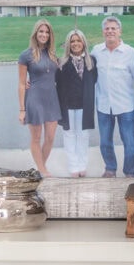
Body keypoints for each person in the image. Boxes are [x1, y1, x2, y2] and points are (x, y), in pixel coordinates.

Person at [91, 16, 134, 178]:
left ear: (120, 31)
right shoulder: (96, 51)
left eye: (113, 28)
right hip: (103, 105)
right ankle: (110, 168)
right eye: (107, 28)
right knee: (105, 141)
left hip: (125, 106)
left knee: (130, 143)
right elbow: (87, 73)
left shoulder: (130, 53)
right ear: (103, 31)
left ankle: (130, 172)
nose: (110, 31)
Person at [17, 19, 61, 176]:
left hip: (52, 99)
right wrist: (22, 110)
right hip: (34, 98)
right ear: (35, 33)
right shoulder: (25, 55)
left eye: (47, 32)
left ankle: (40, 167)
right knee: (36, 138)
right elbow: (22, 84)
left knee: (50, 137)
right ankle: (43, 171)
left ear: (50, 35)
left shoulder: (53, 54)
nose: (44, 34)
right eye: (41, 31)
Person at [55, 29, 97, 177]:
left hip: (84, 106)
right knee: (69, 135)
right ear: (68, 44)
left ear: (83, 42)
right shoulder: (62, 63)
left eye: (78, 40)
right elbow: (56, 84)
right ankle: (73, 166)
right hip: (67, 106)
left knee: (83, 136)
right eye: (72, 41)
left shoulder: (91, 61)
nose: (75, 43)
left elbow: (94, 81)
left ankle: (82, 165)